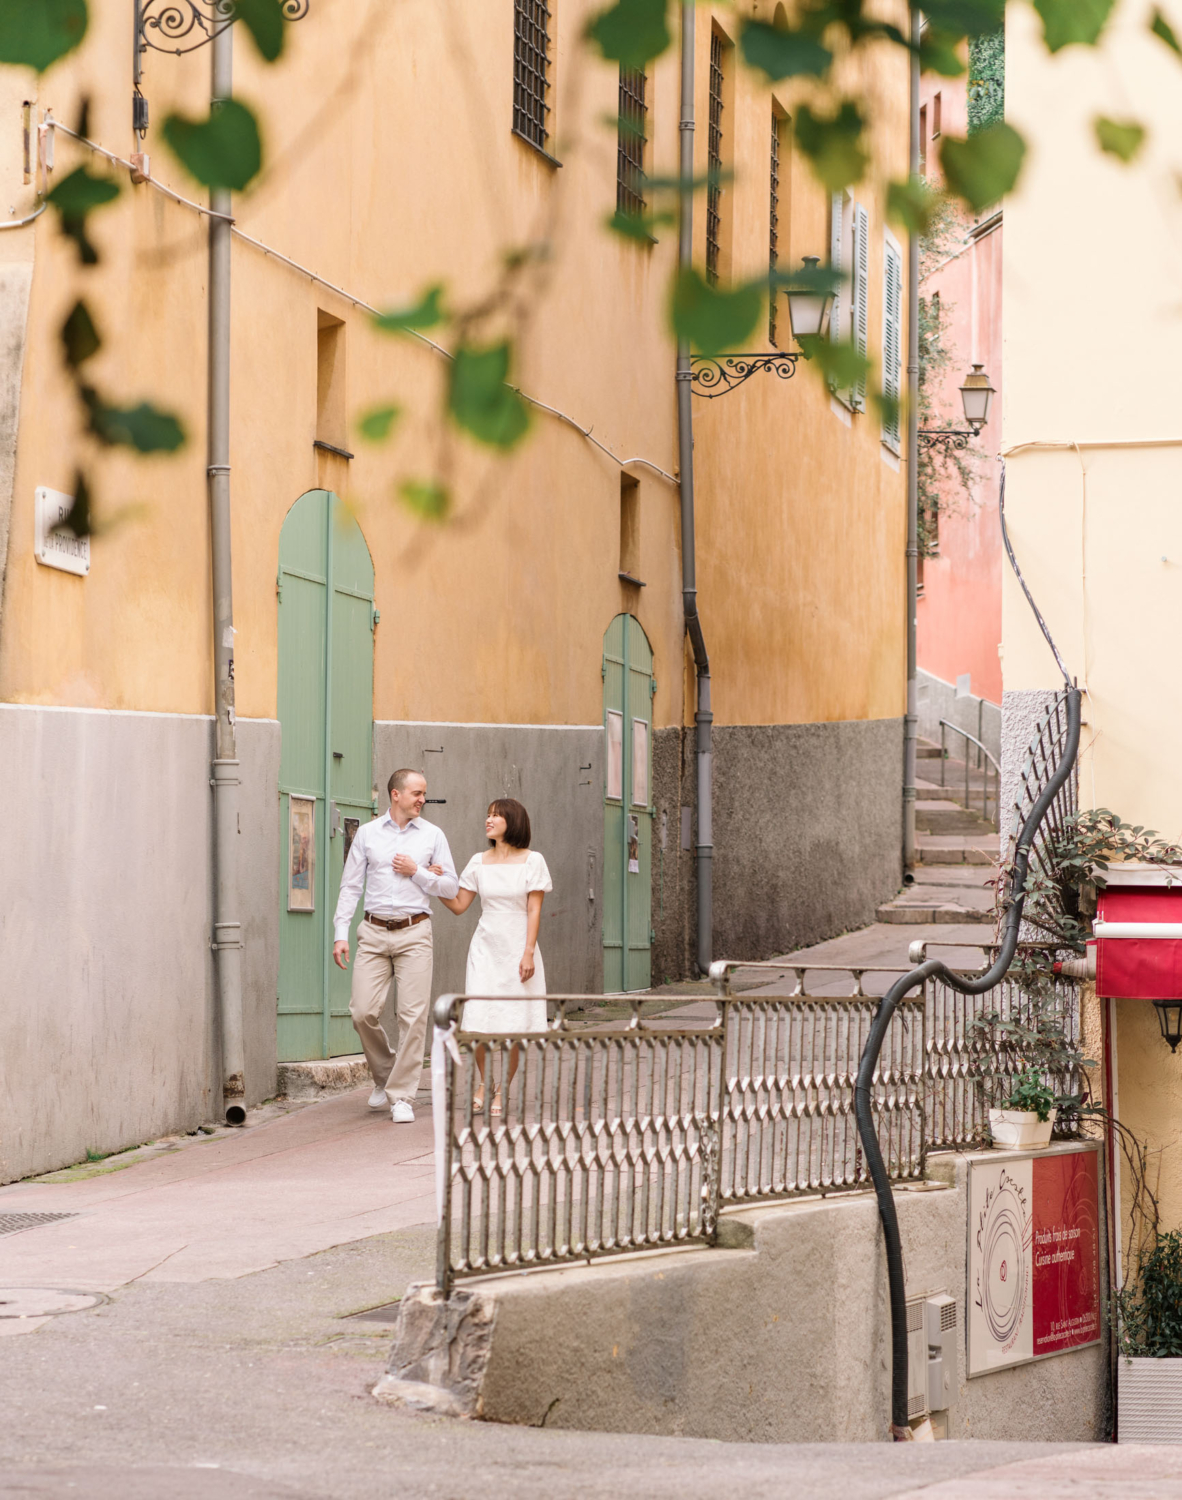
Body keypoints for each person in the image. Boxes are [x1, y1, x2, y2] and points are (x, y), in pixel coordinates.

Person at [332, 768, 458, 1123]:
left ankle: (402, 1095)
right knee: (361, 1012)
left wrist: (416, 871)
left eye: (424, 793)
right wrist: (341, 933)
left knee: (413, 1017)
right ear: (395, 795)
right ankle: (386, 1074)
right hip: (372, 933)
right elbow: (351, 886)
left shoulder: (433, 835)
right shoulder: (368, 835)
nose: (422, 799)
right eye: (416, 793)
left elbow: (451, 887)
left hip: (415, 931)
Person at [434, 798, 552, 1116]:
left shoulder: (533, 861)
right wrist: (432, 882)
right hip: (484, 948)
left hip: (518, 948)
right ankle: (485, 1083)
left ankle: (502, 1089)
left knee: (513, 1022)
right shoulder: (478, 861)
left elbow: (534, 909)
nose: (489, 820)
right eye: (487, 815)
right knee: (481, 1021)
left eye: (496, 816)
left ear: (512, 822)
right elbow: (459, 905)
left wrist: (528, 952)